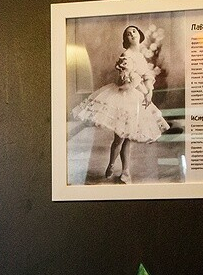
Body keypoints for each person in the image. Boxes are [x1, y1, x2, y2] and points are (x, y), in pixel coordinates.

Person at [72, 25, 169, 183]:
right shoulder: (126, 55)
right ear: (126, 39)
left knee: (128, 138)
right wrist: (144, 91)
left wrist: (149, 91)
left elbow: (146, 75)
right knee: (120, 138)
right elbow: (128, 81)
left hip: (135, 99)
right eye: (128, 34)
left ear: (140, 35)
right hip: (123, 97)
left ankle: (125, 171)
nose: (132, 34)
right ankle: (111, 164)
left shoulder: (140, 56)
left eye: (134, 31)